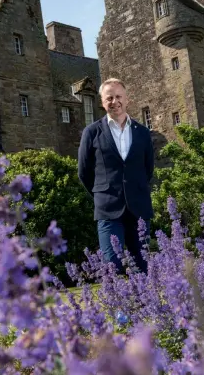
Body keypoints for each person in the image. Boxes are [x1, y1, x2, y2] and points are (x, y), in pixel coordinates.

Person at [78, 78, 154, 274]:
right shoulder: (92, 132)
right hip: (108, 209)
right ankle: (119, 306)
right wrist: (102, 194)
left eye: (118, 96)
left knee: (143, 267)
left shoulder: (143, 133)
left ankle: (146, 306)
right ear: (102, 103)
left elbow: (148, 169)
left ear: (127, 99)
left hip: (139, 208)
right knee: (112, 267)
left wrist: (134, 189)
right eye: (109, 98)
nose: (115, 101)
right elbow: (84, 172)